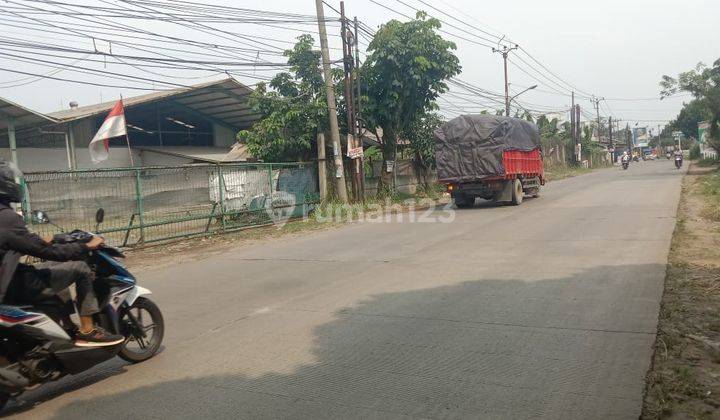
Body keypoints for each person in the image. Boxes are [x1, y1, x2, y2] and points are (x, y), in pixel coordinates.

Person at [0, 159, 124, 347]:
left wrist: (39, 241)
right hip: (13, 283)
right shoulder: (6, 217)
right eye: (10, 179)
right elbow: (48, 252)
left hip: (9, 277)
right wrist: (85, 247)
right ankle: (87, 330)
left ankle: (67, 325)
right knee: (81, 268)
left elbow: (16, 242)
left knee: (58, 270)